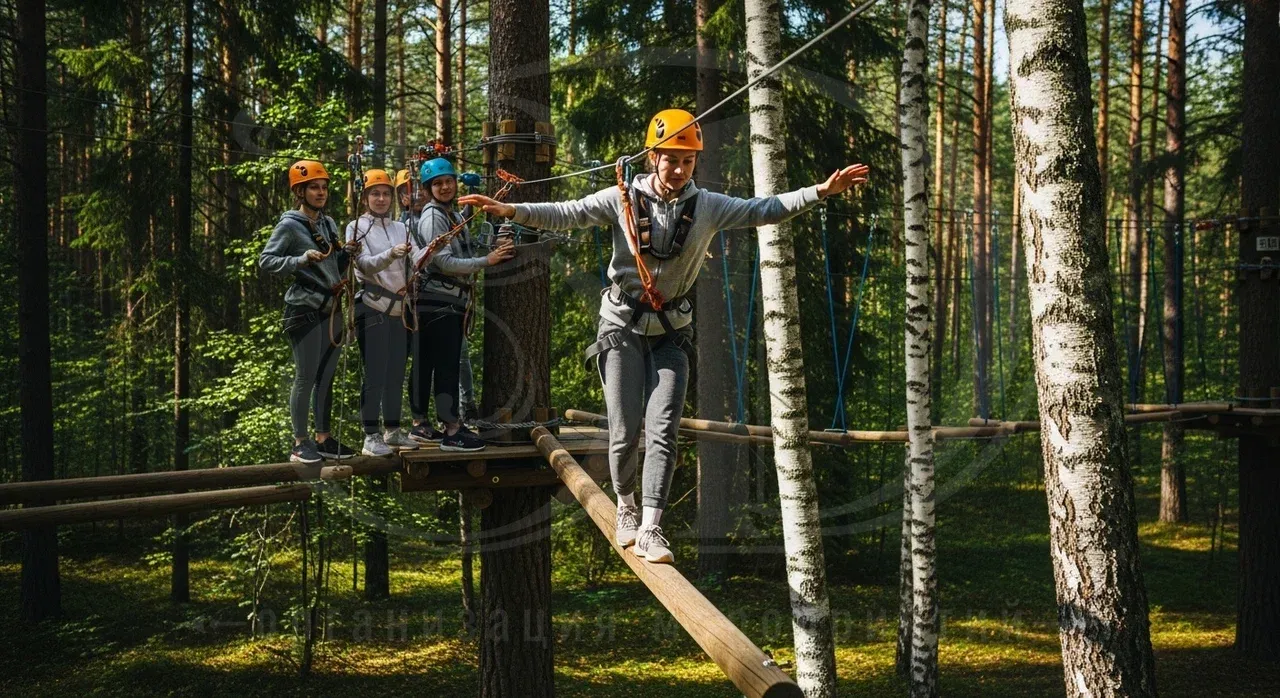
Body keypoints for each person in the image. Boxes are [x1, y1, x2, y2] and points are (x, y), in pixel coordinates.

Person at [460, 109, 869, 563]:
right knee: (624, 430)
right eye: (671, 160)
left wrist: (821, 191)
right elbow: (567, 213)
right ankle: (628, 511)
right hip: (621, 329)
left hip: (672, 334)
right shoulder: (622, 198)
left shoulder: (709, 207)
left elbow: (762, 210)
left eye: (687, 162)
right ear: (652, 157)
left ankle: (653, 527)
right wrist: (511, 210)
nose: (678, 169)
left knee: (664, 429)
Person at [259, 159, 362, 463]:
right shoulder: (289, 225)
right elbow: (266, 261)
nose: (321, 193)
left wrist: (346, 254)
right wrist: (299, 260)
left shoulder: (328, 224)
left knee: (325, 376)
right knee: (306, 376)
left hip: (330, 309)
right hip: (303, 309)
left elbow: (333, 265)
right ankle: (300, 442)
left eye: (324, 188)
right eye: (314, 188)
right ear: (300, 192)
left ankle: (324, 438)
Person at [412, 158, 516, 452]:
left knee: (433, 364)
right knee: (445, 366)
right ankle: (452, 430)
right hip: (438, 300)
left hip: (446, 300)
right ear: (428, 189)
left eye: (448, 181)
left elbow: (464, 249)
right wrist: (488, 261)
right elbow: (442, 261)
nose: (445, 187)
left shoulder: (452, 214)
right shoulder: (434, 216)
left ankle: (425, 425)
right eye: (437, 183)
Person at [349, 168, 420, 456]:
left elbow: (415, 258)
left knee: (395, 374)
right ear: (365, 197)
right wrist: (391, 254)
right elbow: (364, 265)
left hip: (399, 309)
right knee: (375, 373)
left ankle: (392, 430)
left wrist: (429, 252)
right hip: (372, 306)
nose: (381, 199)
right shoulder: (355, 227)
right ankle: (370, 435)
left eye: (385, 194)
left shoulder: (401, 228)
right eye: (375, 194)